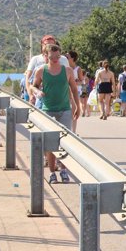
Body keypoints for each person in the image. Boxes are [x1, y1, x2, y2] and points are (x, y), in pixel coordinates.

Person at [30, 44, 80, 183]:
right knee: (50, 143)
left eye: (58, 57)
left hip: (64, 109)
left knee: (64, 142)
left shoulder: (68, 71)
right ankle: (52, 172)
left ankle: (63, 169)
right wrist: (37, 91)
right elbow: (33, 85)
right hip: (48, 110)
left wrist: (78, 106)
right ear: (46, 56)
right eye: (52, 57)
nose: (56, 59)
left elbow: (74, 90)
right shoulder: (41, 71)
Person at [23, 34, 69, 105]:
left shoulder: (63, 59)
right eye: (47, 44)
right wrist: (31, 95)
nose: (49, 46)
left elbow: (68, 79)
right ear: (42, 45)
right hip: (40, 98)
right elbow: (28, 80)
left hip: (60, 97)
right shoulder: (35, 60)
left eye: (52, 44)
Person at [65, 50, 85, 132]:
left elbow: (82, 81)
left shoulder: (78, 69)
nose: (65, 58)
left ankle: (73, 131)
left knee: (73, 110)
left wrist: (75, 82)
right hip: (65, 90)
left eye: (67, 57)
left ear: (72, 58)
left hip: (74, 90)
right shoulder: (64, 67)